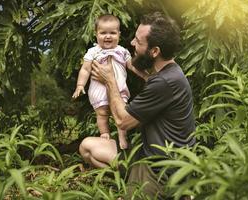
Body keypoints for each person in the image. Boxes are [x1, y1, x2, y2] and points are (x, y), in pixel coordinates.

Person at [79, 11, 196, 198]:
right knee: (87, 147)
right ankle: (129, 177)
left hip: (162, 168)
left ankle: (165, 192)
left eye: (138, 42)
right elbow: (151, 86)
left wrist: (110, 80)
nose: (132, 43)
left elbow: (122, 121)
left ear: (154, 51)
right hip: (147, 152)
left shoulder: (164, 82)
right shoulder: (167, 73)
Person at [73, 14, 148, 150]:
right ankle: (105, 134)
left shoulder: (122, 51)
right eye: (103, 33)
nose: (108, 36)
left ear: (119, 34)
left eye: (112, 33)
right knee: (102, 115)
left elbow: (132, 66)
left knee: (120, 113)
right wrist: (80, 85)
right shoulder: (93, 52)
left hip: (118, 90)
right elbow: (85, 69)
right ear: (96, 34)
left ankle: (122, 138)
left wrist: (144, 75)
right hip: (99, 91)